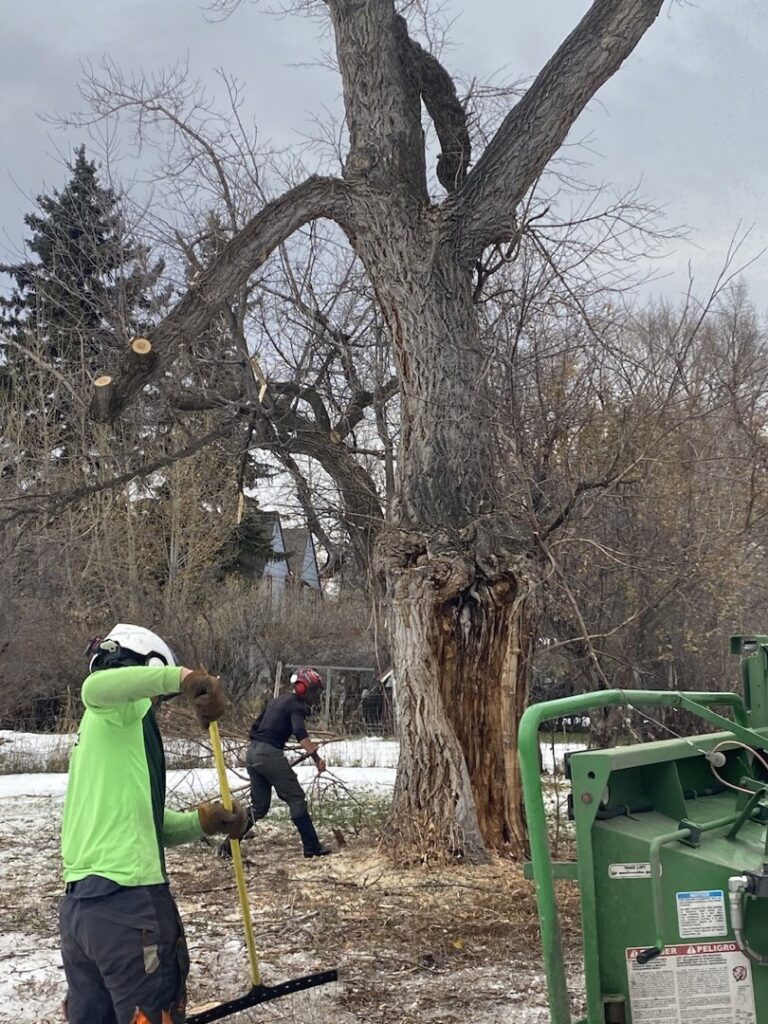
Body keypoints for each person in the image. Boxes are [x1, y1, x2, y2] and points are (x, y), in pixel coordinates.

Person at [59, 623, 248, 1024]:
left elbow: (151, 827)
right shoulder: (114, 706)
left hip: (82, 915)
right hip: (128, 910)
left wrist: (205, 821)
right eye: (157, 696)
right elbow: (95, 688)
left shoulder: (104, 733)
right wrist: (182, 678)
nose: (157, 704)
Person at [220, 666, 332, 860]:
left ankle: (228, 846)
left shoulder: (276, 701)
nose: (315, 696)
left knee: (259, 807)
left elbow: (255, 727)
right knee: (296, 797)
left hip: (252, 753)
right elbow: (300, 732)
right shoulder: (296, 705)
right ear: (304, 688)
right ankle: (312, 846)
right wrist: (316, 759)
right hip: (268, 755)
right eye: (314, 691)